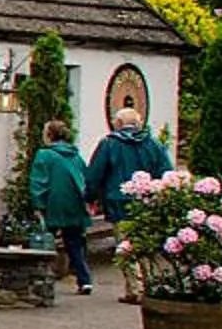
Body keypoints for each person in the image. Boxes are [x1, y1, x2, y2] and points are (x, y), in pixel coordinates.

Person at [84, 104, 174, 300]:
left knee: (125, 245)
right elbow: (166, 173)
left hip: (119, 203)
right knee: (144, 245)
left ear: (118, 123)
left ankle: (135, 289)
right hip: (147, 202)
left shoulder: (109, 144)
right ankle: (149, 286)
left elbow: (95, 174)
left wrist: (89, 197)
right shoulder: (153, 144)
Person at [29, 121, 94, 297]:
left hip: (53, 202)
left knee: (44, 243)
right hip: (75, 202)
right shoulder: (75, 155)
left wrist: (38, 204)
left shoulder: (45, 155)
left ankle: (41, 280)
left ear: (49, 135)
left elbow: (39, 181)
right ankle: (85, 280)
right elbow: (85, 177)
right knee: (74, 243)